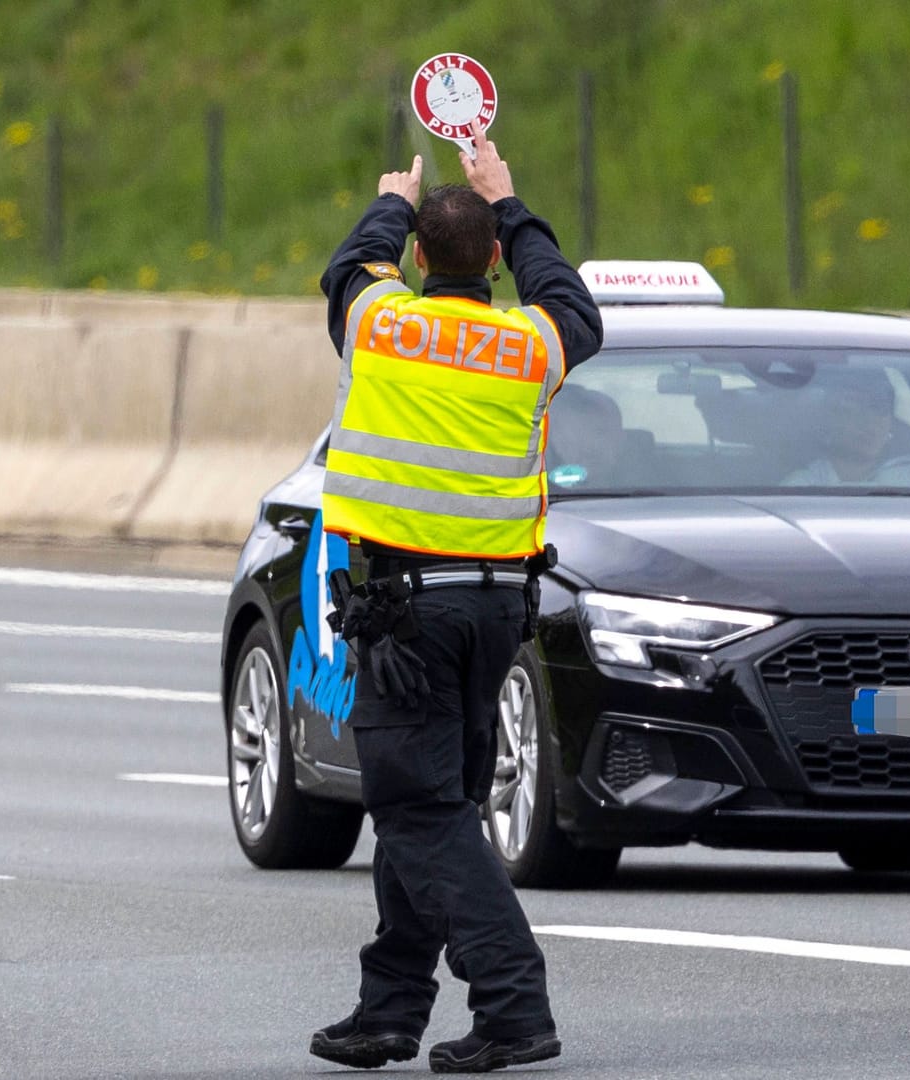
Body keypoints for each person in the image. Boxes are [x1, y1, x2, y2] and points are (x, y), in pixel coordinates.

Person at [308, 127, 602, 1074]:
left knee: (420, 813)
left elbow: (349, 267)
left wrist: (395, 197)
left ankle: (515, 1006)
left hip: (406, 616)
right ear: (495, 264)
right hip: (494, 615)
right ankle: (390, 1009)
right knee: (438, 806)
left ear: (421, 258)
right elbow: (573, 303)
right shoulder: (530, 342)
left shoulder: (382, 323)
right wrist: (508, 199)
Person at [782, 367, 901, 484]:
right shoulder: (800, 488)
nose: (869, 421)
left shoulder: (906, 480)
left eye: (879, 408)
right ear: (829, 421)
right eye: (852, 409)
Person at [544, 387, 626, 489]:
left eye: (600, 432)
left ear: (621, 440)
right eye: (579, 434)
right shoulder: (533, 496)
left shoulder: (643, 485)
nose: (592, 446)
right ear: (555, 442)